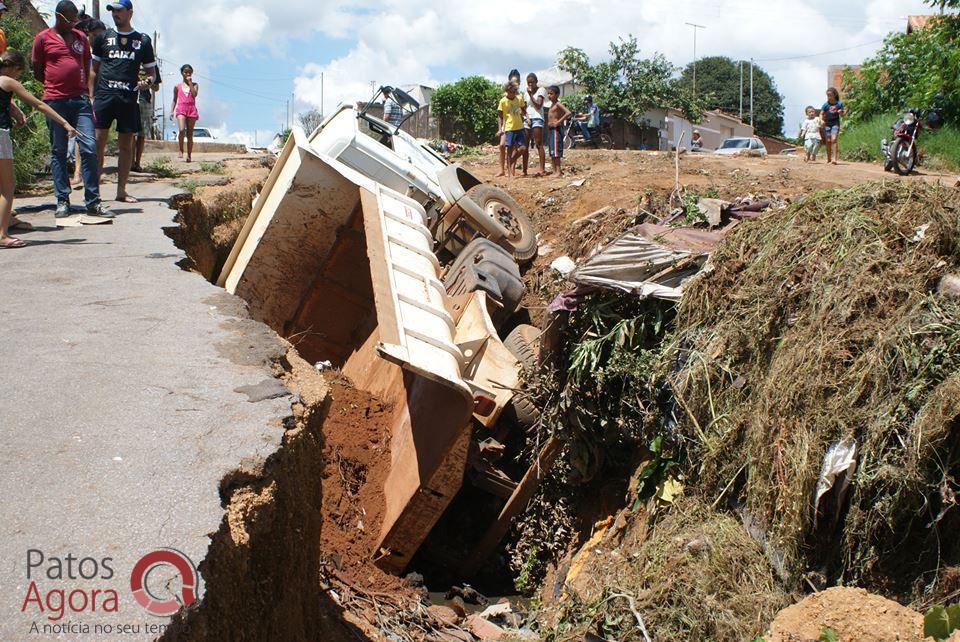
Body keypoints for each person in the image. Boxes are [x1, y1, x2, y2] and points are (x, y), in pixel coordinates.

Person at [32, 1, 112, 219]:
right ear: (58, 16)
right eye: (70, 18)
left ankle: (93, 201)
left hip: (80, 101)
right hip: (55, 102)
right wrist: (54, 85)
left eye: (76, 18)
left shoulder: (81, 38)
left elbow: (87, 66)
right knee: (58, 151)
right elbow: (37, 70)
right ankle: (62, 200)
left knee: (89, 148)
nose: (74, 23)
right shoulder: (43, 39)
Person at [0, 50, 79, 248]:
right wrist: (65, 123)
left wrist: (14, 110)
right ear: (13, 68)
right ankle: (2, 235)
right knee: (7, 188)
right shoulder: (8, 82)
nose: (18, 76)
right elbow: (39, 105)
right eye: (19, 72)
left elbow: (5, 102)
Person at [91, 0, 157, 203]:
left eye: (119, 11)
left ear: (130, 13)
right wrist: (91, 96)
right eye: (112, 11)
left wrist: (147, 82)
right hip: (104, 97)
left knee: (126, 145)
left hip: (128, 99)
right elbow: (93, 70)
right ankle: (95, 193)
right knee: (98, 142)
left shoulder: (142, 41)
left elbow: (151, 73)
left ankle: (121, 191)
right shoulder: (103, 37)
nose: (115, 14)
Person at [496, 82, 527, 179]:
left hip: (520, 127)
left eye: (514, 92)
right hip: (509, 128)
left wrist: (526, 117)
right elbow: (500, 116)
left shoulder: (519, 99)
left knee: (522, 148)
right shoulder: (503, 101)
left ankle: (511, 161)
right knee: (508, 149)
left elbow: (523, 109)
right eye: (510, 92)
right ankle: (509, 173)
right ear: (506, 91)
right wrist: (500, 128)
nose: (512, 94)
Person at [169, 64, 197, 162]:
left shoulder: (195, 85)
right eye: (185, 72)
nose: (187, 74)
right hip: (181, 108)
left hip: (191, 109)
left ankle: (189, 155)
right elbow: (174, 99)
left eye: (189, 72)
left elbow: (194, 94)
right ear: (182, 73)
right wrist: (171, 111)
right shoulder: (177, 87)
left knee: (190, 134)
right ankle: (181, 149)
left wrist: (190, 83)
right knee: (181, 130)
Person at [522, 73, 547, 177]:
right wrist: (525, 116)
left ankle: (542, 169)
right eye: (528, 83)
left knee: (538, 143)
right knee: (525, 145)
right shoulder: (525, 92)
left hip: (537, 118)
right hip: (527, 119)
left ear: (536, 82)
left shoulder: (541, 90)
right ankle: (524, 170)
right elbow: (523, 107)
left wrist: (531, 94)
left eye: (532, 82)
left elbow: (538, 105)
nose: (530, 84)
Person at [545, 86, 572, 176]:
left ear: (557, 95)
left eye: (551, 94)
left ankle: (558, 171)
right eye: (548, 93)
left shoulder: (558, 104)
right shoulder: (552, 105)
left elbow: (568, 113)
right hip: (551, 130)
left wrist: (558, 122)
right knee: (552, 151)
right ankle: (554, 171)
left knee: (556, 151)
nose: (549, 95)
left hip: (556, 130)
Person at [820, 87, 845, 166]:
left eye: (830, 95)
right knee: (828, 140)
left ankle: (835, 159)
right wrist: (821, 120)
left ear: (834, 95)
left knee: (833, 139)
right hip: (827, 124)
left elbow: (843, 115)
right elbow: (821, 113)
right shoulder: (825, 105)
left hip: (835, 124)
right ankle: (828, 158)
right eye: (828, 96)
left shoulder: (839, 104)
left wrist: (841, 112)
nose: (829, 97)